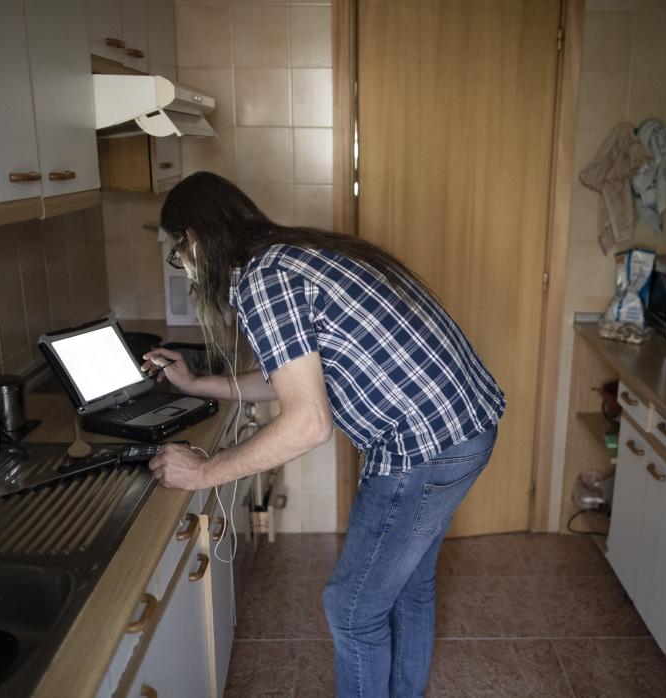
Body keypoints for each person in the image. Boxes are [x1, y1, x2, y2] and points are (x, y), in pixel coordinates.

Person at [140, 172, 505, 697]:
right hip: (467, 426)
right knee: (408, 588)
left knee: (352, 610)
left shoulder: (260, 278)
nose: (186, 267)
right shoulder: (295, 253)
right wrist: (201, 383)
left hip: (423, 449)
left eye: (179, 253)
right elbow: (293, 375)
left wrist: (202, 471)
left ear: (193, 238)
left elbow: (308, 423)